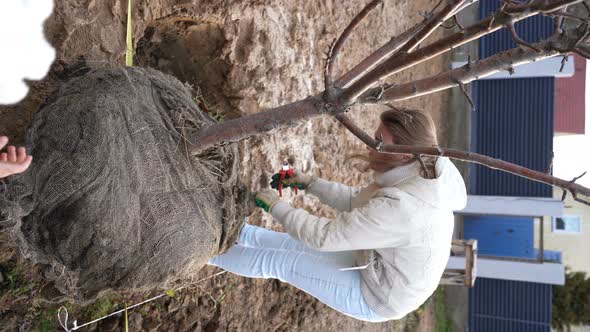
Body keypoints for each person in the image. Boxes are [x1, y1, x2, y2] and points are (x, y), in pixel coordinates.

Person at [208, 108, 467, 322]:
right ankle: (236, 233)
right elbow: (356, 201)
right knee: (291, 244)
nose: (369, 143)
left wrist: (276, 206)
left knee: (282, 263)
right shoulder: (419, 172)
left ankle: (204, 250)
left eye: (379, 139)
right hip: (383, 261)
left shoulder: (405, 208)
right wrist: (309, 183)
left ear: (403, 153)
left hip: (381, 294)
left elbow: (323, 237)